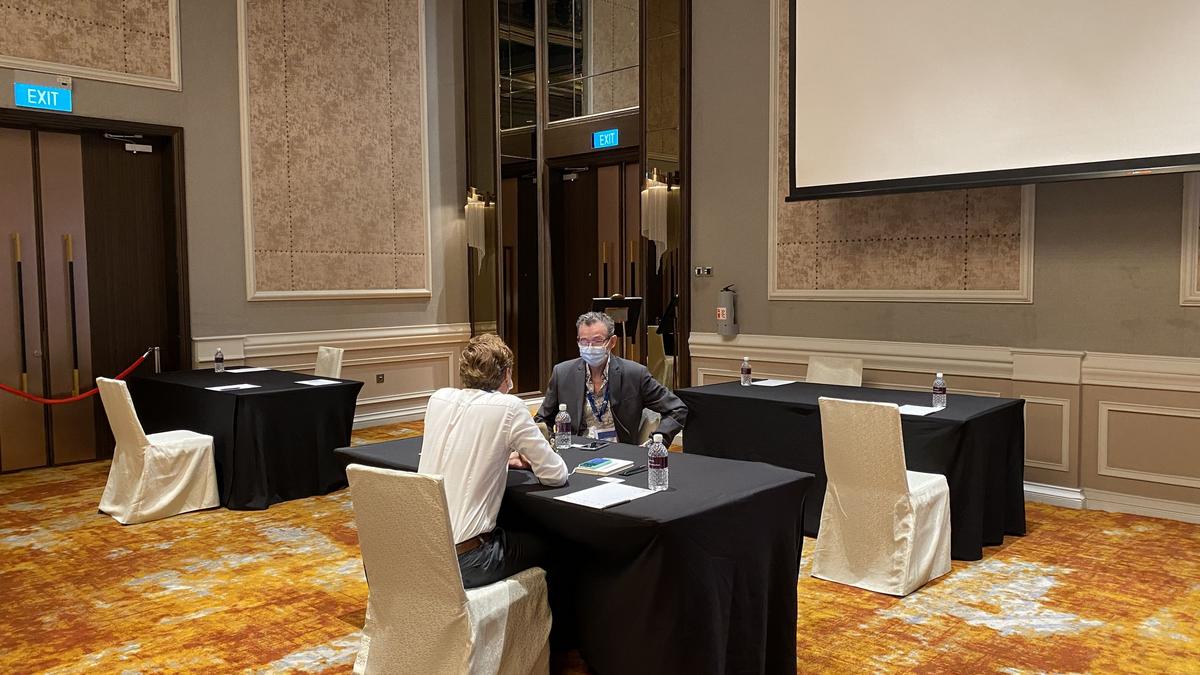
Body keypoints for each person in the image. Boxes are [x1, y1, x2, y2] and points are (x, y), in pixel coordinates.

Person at [418, 334, 568, 589]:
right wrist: (528, 460)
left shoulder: (439, 398)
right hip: (469, 560)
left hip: (422, 552)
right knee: (560, 545)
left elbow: (464, 444)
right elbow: (555, 474)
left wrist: (499, 455)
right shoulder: (509, 407)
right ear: (507, 374)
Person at [536, 311, 687, 445]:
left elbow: (677, 409)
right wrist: (553, 444)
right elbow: (542, 419)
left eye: (597, 341)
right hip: (576, 451)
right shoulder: (562, 373)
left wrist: (658, 440)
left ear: (612, 342)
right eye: (584, 341)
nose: (589, 347)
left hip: (620, 453)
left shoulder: (635, 374)